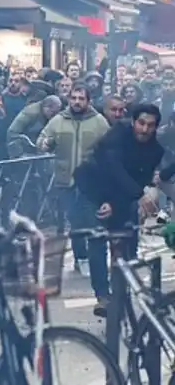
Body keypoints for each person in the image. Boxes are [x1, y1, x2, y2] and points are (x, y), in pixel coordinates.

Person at [74, 103, 164, 316]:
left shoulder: (155, 151)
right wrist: (108, 200)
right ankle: (103, 296)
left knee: (128, 240)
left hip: (122, 196)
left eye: (150, 126)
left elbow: (139, 179)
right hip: (93, 189)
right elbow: (111, 168)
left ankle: (122, 292)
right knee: (97, 239)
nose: (144, 130)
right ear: (133, 122)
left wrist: (116, 203)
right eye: (141, 123)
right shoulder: (118, 134)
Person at [38, 84, 109, 275]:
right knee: (75, 222)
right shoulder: (58, 120)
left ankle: (95, 259)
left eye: (81, 98)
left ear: (88, 101)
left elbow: (111, 148)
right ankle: (81, 258)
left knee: (92, 221)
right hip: (65, 180)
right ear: (69, 99)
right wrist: (45, 143)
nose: (77, 102)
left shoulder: (99, 122)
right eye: (74, 98)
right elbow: (43, 139)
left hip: (91, 183)